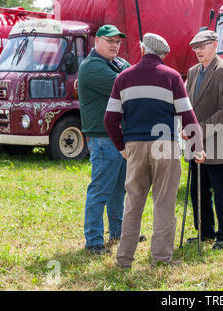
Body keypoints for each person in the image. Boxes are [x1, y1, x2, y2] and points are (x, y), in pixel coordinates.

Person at [104, 33, 206, 268]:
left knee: (133, 203)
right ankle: (161, 259)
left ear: (142, 49)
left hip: (134, 146)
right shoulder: (171, 77)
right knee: (164, 203)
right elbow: (188, 116)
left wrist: (122, 146)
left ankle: (124, 260)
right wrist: (198, 147)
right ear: (163, 55)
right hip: (165, 146)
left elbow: (110, 119)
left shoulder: (123, 77)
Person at [185, 30, 223, 250]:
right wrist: (187, 128)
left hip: (221, 144)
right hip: (197, 145)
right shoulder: (192, 72)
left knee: (221, 192)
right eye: (195, 47)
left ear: (215, 45)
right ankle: (206, 232)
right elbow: (188, 107)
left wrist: (198, 131)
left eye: (202, 46)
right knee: (198, 191)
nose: (198, 51)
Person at [78, 25, 134, 255]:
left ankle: (118, 232)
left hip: (118, 137)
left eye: (118, 42)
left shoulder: (116, 64)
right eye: (109, 40)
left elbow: (130, 76)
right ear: (96, 42)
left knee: (119, 189)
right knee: (100, 191)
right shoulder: (92, 67)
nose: (115, 45)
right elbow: (127, 86)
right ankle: (93, 242)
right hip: (103, 138)